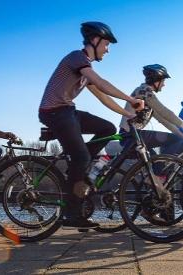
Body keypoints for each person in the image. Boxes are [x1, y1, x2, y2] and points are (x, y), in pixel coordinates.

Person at [38, 22, 144, 228]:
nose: (108, 49)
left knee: (107, 128)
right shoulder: (77, 58)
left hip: (68, 110)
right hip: (53, 111)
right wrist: (131, 100)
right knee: (81, 157)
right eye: (106, 44)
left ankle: (79, 166)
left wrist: (126, 113)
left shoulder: (85, 70)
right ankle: (71, 214)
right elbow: (102, 82)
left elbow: (103, 96)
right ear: (95, 41)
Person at [119, 64, 183, 174]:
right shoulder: (144, 91)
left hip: (133, 136)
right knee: (173, 142)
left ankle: (156, 179)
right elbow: (164, 111)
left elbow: (163, 119)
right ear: (155, 80)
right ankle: (162, 170)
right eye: (163, 81)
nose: (164, 85)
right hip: (130, 135)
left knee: (157, 163)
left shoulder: (146, 95)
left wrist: (181, 134)